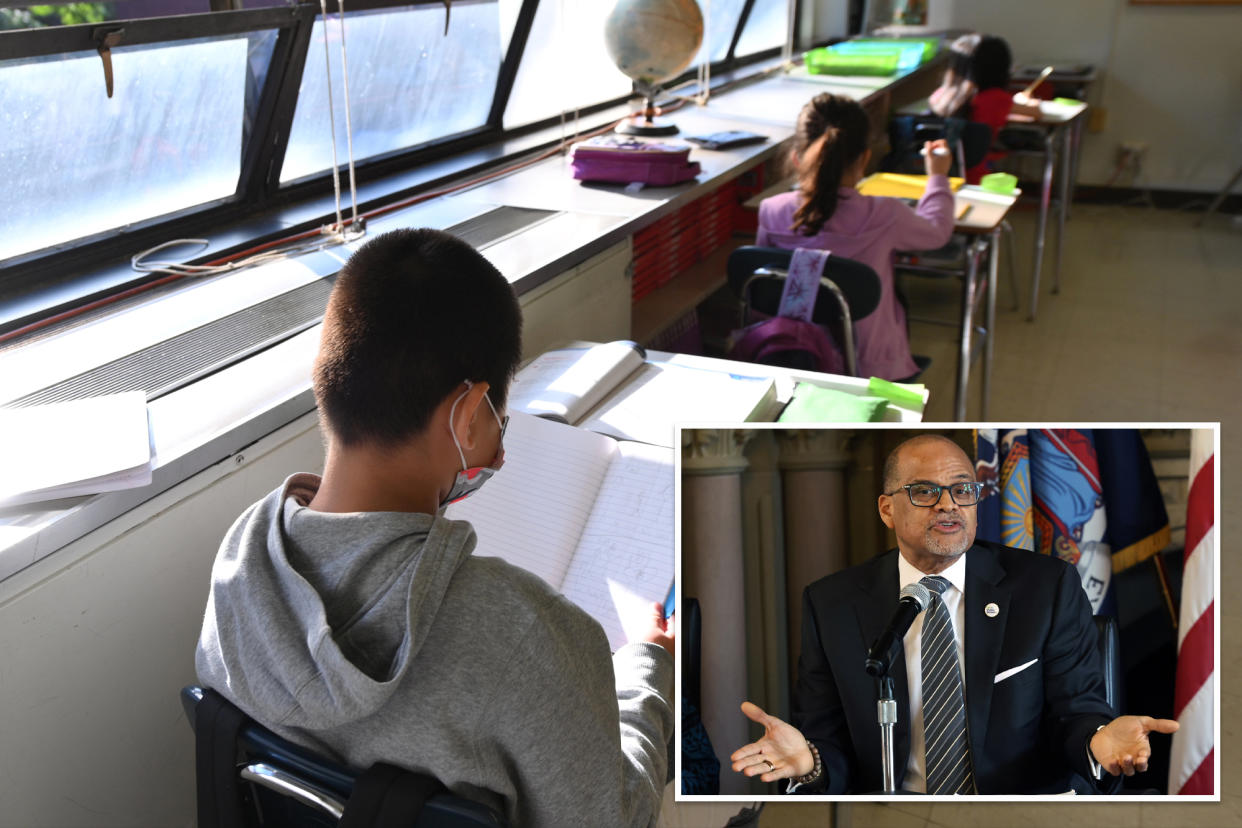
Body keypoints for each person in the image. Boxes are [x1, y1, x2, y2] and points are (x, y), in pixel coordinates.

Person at [195, 228, 675, 826]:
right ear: (468, 412)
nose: (499, 451)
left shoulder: (241, 567)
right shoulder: (521, 631)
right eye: (501, 418)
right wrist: (651, 671)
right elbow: (616, 817)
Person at [730, 433, 1178, 794]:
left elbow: (1076, 714)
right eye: (925, 491)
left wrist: (1097, 741)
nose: (949, 505)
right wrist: (811, 764)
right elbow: (830, 740)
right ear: (887, 509)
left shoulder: (1045, 587)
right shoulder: (832, 603)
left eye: (963, 490)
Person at [756, 93, 956, 382]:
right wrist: (937, 177)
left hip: (791, 356)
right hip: (869, 366)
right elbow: (937, 231)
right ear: (864, 158)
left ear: (797, 158)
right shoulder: (886, 214)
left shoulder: (770, 211)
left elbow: (764, 289)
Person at [928, 34, 1042, 184]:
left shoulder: (939, 96)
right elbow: (1037, 113)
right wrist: (1029, 102)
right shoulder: (997, 98)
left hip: (937, 173)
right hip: (975, 176)